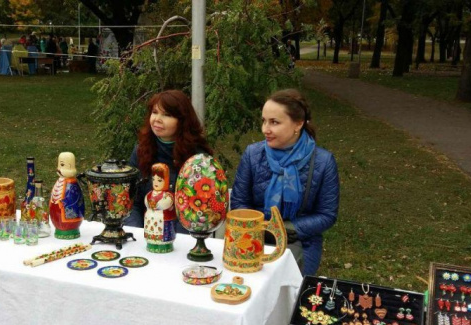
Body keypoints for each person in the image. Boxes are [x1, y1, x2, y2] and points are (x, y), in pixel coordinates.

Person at [230, 89, 339, 276]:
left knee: (289, 290)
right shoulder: (252, 155)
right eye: (264, 121)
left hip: (301, 241)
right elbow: (240, 203)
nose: (265, 129)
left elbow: (327, 214)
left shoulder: (323, 162)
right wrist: (261, 229)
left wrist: (289, 229)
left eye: (274, 122)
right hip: (253, 237)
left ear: (298, 124)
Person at [126, 90, 214, 232]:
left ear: (182, 121)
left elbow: (197, 214)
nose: (157, 119)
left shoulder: (198, 160)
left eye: (167, 115)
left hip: (182, 240)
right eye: (154, 112)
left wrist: (172, 242)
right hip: (144, 236)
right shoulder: (140, 151)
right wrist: (137, 234)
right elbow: (131, 202)